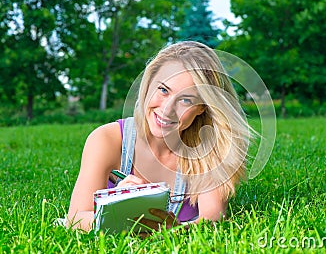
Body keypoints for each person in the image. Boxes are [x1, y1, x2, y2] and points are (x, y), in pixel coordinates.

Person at [67, 41, 251, 232]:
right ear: (148, 85)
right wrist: (115, 211)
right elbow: (76, 218)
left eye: (186, 100)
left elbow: (212, 218)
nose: (167, 109)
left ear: (202, 107)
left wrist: (173, 232)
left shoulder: (209, 147)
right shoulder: (107, 139)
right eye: (163, 90)